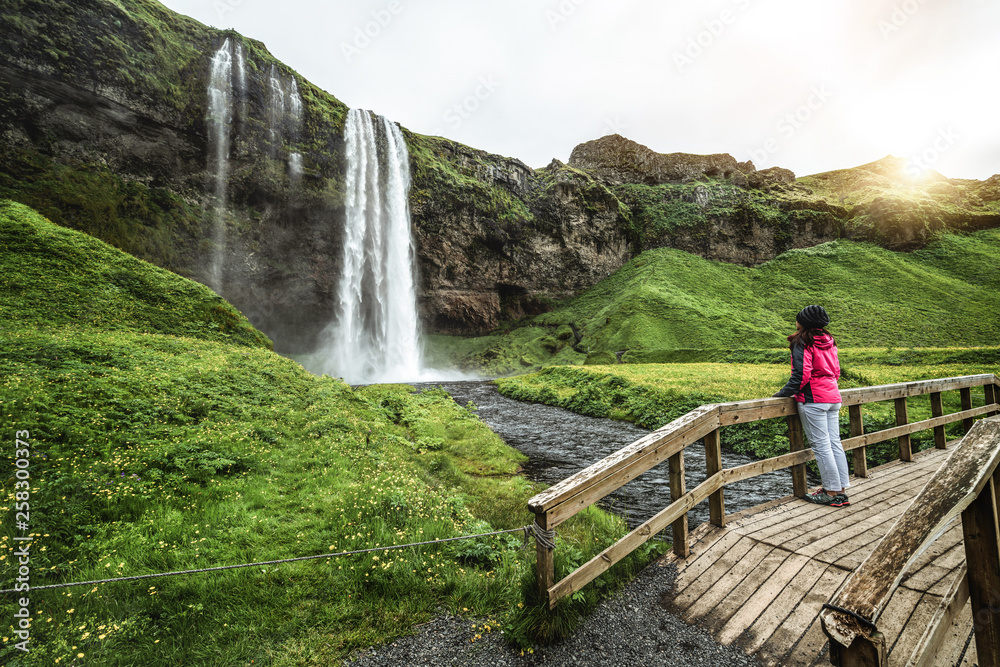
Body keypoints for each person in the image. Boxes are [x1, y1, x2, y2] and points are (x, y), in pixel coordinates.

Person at [772, 305, 850, 507]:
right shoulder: (829, 340)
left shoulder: (802, 341)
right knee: (834, 443)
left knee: (822, 446)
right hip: (833, 396)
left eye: (798, 319)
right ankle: (840, 491)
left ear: (804, 322)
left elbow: (801, 374)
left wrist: (783, 393)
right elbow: (836, 371)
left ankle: (831, 493)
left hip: (814, 398)